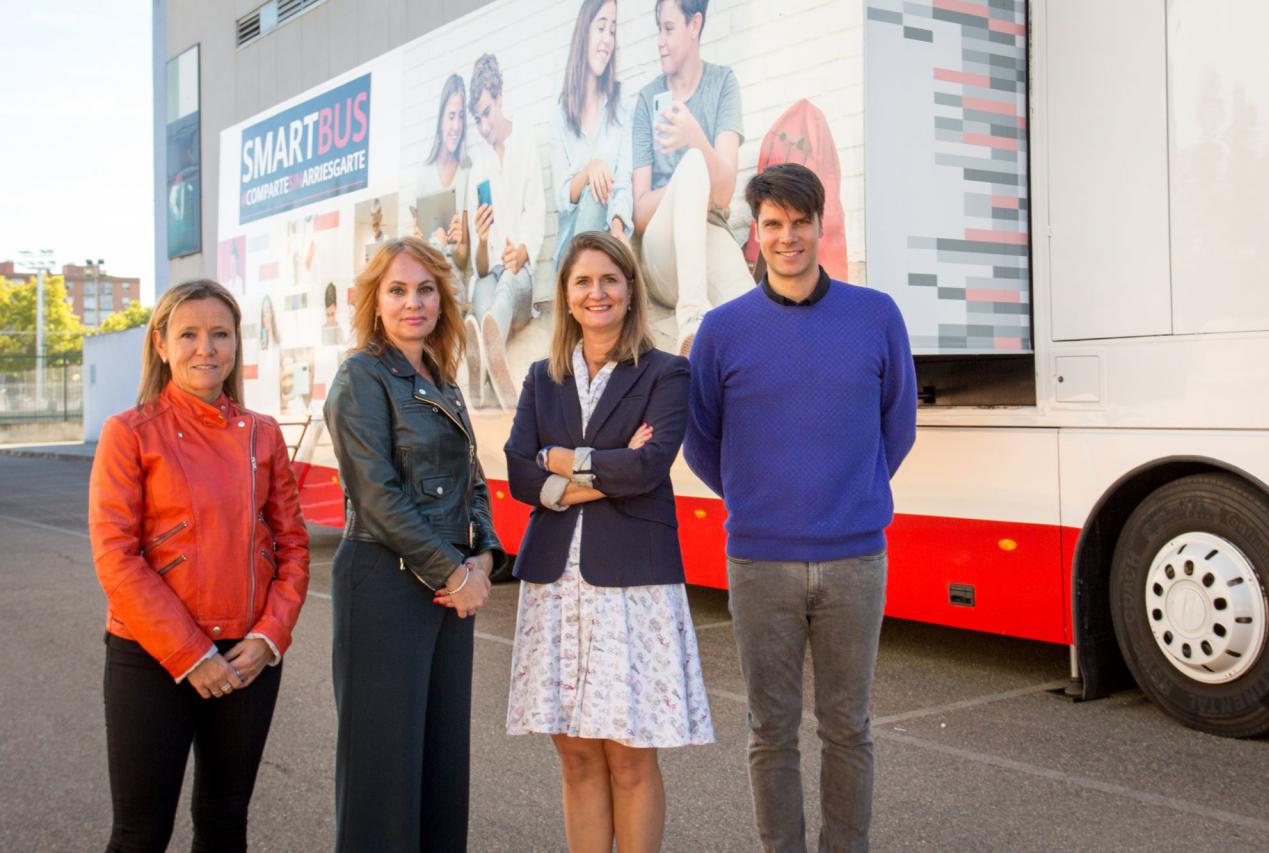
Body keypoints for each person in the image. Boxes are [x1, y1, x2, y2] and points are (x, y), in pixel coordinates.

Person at [683, 163, 917, 853]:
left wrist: (850, 492)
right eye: (773, 225)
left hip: (855, 559)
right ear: (754, 235)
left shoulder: (876, 316)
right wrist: (760, 497)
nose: (788, 237)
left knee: (849, 728)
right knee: (770, 731)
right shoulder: (722, 332)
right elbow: (702, 441)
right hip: (759, 560)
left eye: (800, 222)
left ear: (821, 225)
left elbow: (896, 426)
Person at [505, 231, 714, 853]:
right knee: (574, 756)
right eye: (582, 282)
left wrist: (563, 460)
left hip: (632, 587)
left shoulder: (666, 372)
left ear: (629, 291)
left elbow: (650, 469)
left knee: (628, 756)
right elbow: (519, 472)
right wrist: (606, 469)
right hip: (555, 584)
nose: (596, 293)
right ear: (566, 296)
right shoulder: (542, 380)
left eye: (609, 280)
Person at [89, 279, 310, 852]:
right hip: (151, 658)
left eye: (220, 334)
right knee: (140, 834)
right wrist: (191, 655)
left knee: (223, 822)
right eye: (188, 334)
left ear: (237, 344)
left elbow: (293, 547)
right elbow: (117, 558)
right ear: (160, 344)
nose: (205, 348)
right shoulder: (128, 433)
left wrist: (270, 637)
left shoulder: (263, 433)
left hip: (246, 658)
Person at [323, 236, 505, 852]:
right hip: (383, 581)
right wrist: (454, 575)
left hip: (445, 584)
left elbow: (471, 478)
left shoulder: (440, 377)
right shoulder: (360, 377)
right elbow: (376, 494)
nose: (413, 303)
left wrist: (481, 552)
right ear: (374, 302)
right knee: (382, 772)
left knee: (441, 763)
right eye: (397, 290)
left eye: (425, 289)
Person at [631, 0, 754, 356]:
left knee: (756, 316)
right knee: (693, 166)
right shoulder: (646, 100)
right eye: (658, 28)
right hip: (661, 251)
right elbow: (640, 213)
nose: (660, 40)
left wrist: (694, 137)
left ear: (694, 25)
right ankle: (692, 319)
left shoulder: (723, 83)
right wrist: (686, 181)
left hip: (709, 233)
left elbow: (726, 192)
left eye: (668, 28)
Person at [464, 52, 547, 410]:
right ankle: (483, 370)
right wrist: (482, 241)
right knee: (485, 290)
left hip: (519, 273)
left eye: (487, 113)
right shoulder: (476, 167)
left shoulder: (526, 144)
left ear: (498, 99)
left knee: (509, 283)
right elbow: (480, 266)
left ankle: (485, 353)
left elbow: (537, 214)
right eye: (477, 119)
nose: (483, 127)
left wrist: (523, 251)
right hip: (490, 274)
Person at [549, 0, 634, 269]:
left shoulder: (622, 103)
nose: (607, 39)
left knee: (604, 191)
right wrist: (590, 170)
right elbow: (563, 197)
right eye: (600, 28)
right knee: (593, 192)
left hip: (610, 236)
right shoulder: (560, 114)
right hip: (572, 249)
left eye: (612, 30)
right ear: (583, 32)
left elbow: (623, 178)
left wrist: (619, 226)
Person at [406, 73, 472, 288]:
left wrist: (456, 244)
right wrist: (418, 241)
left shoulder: (467, 173)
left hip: (451, 282)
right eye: (451, 116)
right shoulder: (424, 175)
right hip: (427, 277)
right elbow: (416, 251)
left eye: (461, 116)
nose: (456, 125)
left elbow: (462, 260)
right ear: (440, 119)